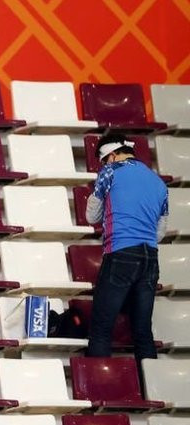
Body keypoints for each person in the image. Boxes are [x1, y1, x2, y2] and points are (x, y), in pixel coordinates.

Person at [85, 133, 168, 364]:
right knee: (143, 333)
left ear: (111, 156)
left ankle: (99, 392)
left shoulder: (110, 172)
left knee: (101, 329)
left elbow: (91, 216)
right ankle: (152, 392)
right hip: (150, 257)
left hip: (121, 252)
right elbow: (159, 232)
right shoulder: (158, 181)